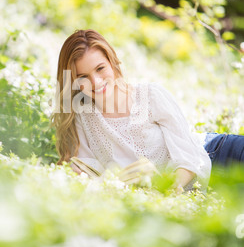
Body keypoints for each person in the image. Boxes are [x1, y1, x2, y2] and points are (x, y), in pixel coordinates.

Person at [51, 29, 244, 194]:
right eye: (83, 76)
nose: (96, 82)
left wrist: (165, 194)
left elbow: (190, 157)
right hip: (184, 192)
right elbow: (88, 176)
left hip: (213, 153)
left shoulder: (150, 95)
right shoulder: (83, 117)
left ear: (112, 62)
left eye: (100, 69)